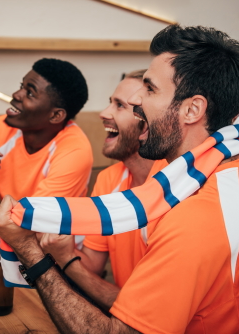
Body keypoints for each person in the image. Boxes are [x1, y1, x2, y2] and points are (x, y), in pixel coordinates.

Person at [0, 25, 239, 334]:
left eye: (150, 88)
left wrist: (30, 251)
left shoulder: (195, 218)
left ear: (193, 109)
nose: (137, 99)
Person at [39, 70, 167, 290]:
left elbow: (155, 305)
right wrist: (64, 252)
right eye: (110, 103)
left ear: (147, 124)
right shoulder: (109, 179)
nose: (104, 113)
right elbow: (92, 266)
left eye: (119, 105)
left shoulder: (176, 187)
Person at [0, 58, 93, 238]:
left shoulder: (74, 152)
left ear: (56, 115)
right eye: (22, 86)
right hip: (5, 244)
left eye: (30, 93)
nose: (16, 94)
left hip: (57, 255)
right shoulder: (1, 127)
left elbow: (26, 235)